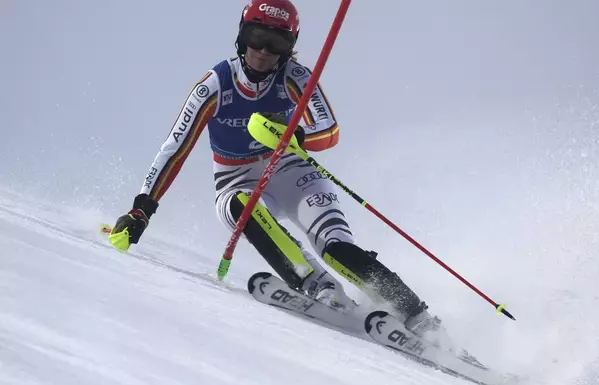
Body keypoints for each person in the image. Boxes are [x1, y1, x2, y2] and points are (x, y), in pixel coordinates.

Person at [109, 0, 439, 335]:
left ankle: (419, 318)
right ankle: (322, 288)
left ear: (289, 48)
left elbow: (329, 130)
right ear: (241, 36)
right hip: (235, 179)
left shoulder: (295, 77)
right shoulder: (215, 85)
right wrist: (141, 210)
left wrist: (296, 133)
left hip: (292, 171)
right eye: (256, 37)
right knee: (241, 208)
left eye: (277, 43)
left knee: (336, 247)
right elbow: (175, 150)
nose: (264, 51)